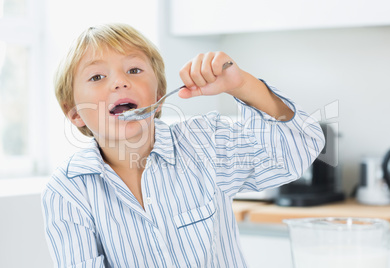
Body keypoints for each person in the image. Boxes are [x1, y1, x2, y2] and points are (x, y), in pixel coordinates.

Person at [41, 23, 325, 268]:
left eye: (134, 69)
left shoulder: (205, 143)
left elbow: (301, 148)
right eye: (97, 77)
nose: (120, 82)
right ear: (75, 112)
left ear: (159, 95)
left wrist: (242, 85)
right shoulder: (68, 190)